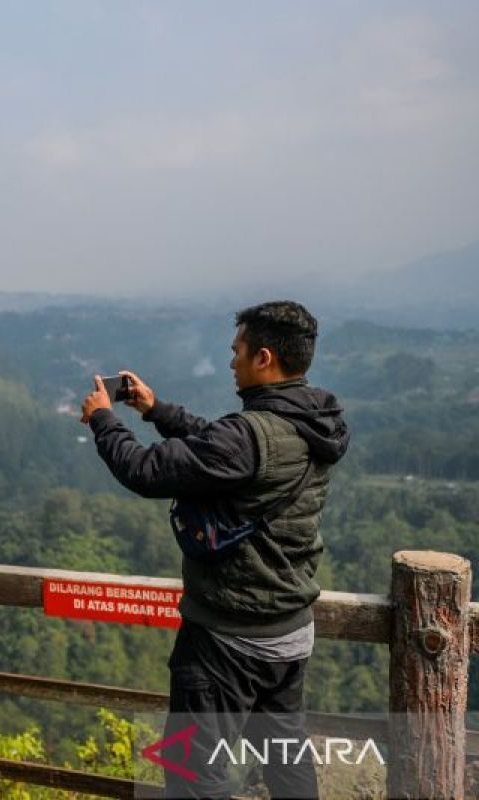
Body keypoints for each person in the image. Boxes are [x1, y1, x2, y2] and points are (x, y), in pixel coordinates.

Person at [78, 301, 350, 799]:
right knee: (286, 765)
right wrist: (156, 411)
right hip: (289, 635)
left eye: (237, 351)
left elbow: (144, 471)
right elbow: (224, 447)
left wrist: (103, 420)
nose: (231, 362)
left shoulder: (249, 435)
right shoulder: (313, 420)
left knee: (192, 777)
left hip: (227, 643)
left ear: (264, 357)